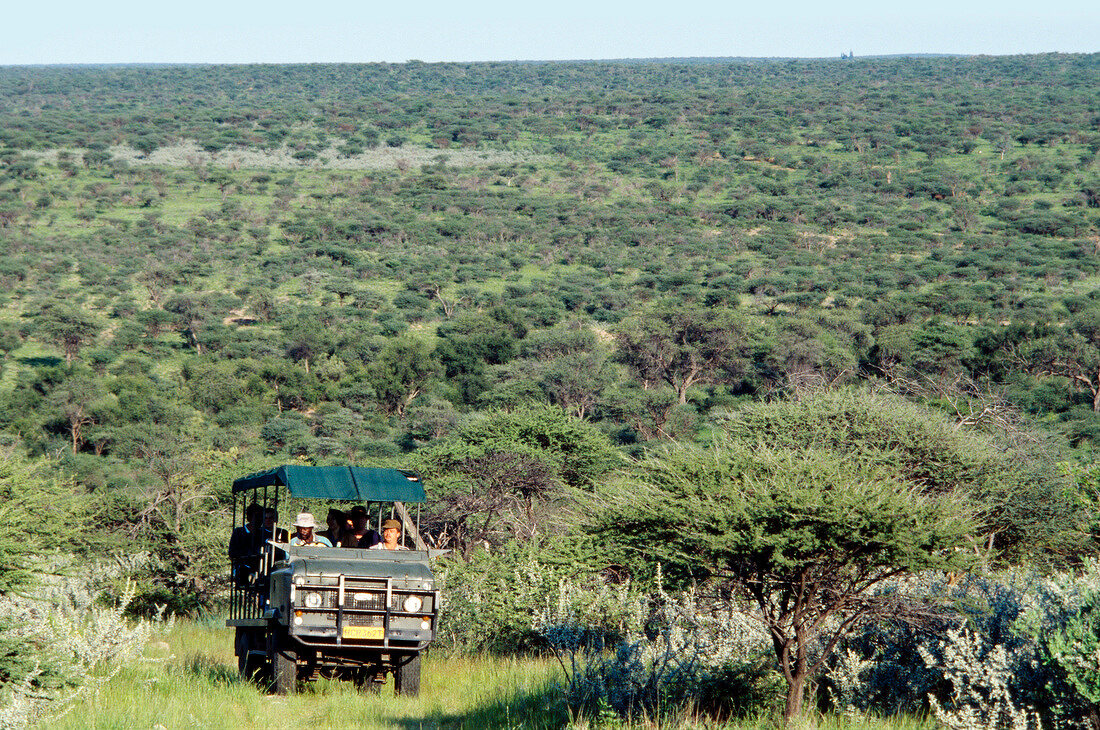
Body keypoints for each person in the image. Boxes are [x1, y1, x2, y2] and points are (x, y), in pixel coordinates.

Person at [228, 503, 264, 586]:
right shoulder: (238, 532)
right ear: (249, 518)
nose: (260, 520)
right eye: (257, 517)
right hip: (242, 568)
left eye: (261, 518)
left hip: (257, 569)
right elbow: (232, 552)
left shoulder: (261, 533)